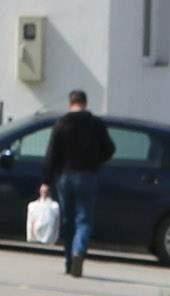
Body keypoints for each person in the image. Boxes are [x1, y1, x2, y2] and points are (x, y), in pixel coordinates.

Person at [41, 89, 117, 278]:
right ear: (85, 103)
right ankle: (78, 252)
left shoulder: (61, 124)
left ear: (70, 103)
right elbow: (110, 149)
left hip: (65, 176)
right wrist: (96, 160)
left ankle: (68, 261)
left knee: (68, 221)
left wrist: (46, 181)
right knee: (84, 219)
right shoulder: (96, 124)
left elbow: (51, 154)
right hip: (88, 176)